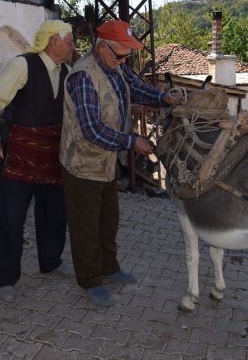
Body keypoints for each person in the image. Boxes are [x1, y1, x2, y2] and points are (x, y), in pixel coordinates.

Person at [59, 19, 180, 306]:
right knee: (86, 226)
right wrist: (131, 141)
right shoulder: (83, 77)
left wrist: (164, 98)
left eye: (127, 55)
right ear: (102, 48)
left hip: (106, 162)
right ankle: (89, 281)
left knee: (108, 219)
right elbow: (91, 129)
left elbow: (136, 87)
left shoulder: (115, 65)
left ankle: (109, 268)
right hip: (82, 164)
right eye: (120, 55)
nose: (125, 60)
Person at [0, 20, 76, 303]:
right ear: (52, 41)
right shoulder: (23, 65)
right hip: (17, 155)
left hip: (52, 156)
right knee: (11, 216)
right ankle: (5, 277)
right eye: (68, 40)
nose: (72, 45)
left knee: (54, 213)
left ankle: (51, 261)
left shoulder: (66, 72)